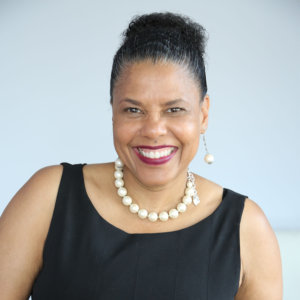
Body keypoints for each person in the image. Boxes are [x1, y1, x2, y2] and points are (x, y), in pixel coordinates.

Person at [0, 12, 282, 300]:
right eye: (133, 110)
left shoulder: (247, 229)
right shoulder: (48, 198)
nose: (154, 130)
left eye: (174, 109)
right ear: (113, 112)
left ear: (203, 114)